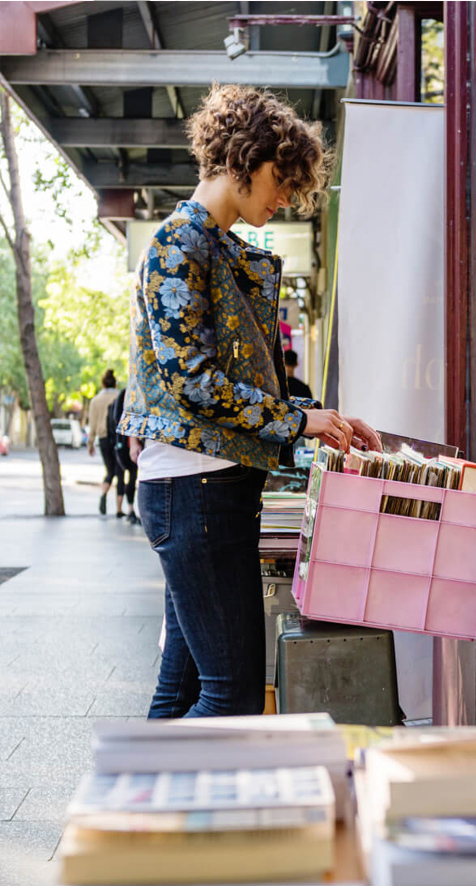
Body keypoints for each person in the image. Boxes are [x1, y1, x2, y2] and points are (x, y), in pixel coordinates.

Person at [118, 84, 381, 719]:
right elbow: (197, 383)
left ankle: (144, 810)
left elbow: (247, 377)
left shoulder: (212, 246)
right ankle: (131, 809)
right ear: (246, 158)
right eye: (281, 179)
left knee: (184, 690)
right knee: (230, 692)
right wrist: (299, 421)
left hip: (203, 488)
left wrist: (324, 419)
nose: (287, 196)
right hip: (194, 489)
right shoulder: (178, 246)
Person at [87, 368, 121, 516]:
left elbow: (92, 424)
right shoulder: (120, 396)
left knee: (110, 471)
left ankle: (103, 495)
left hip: (103, 439)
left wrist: (90, 443)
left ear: (102, 384)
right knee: (120, 471)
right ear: (115, 383)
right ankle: (120, 509)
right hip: (119, 438)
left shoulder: (95, 400)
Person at [107, 389, 140, 524]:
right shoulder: (130, 394)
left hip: (122, 443)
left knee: (123, 476)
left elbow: (113, 422)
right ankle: (129, 509)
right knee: (130, 475)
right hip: (126, 443)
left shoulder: (123, 395)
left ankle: (122, 508)